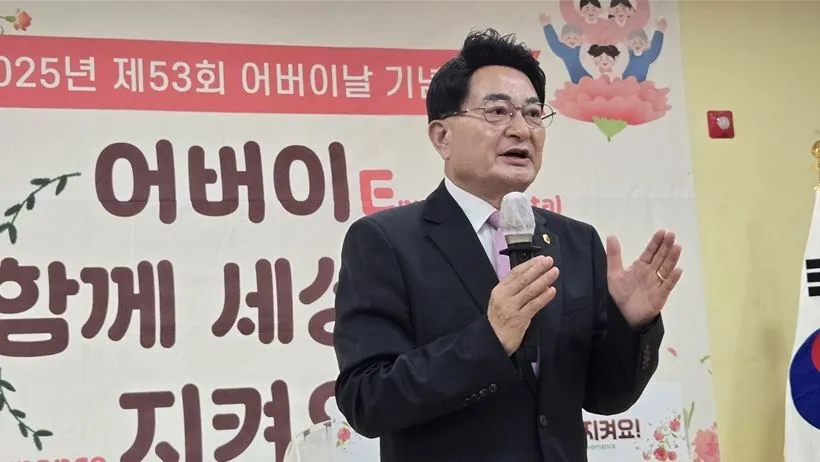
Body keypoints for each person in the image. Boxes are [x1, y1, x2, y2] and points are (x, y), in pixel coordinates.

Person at [332, 28, 682, 462]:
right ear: (442, 136)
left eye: (533, 114)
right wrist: (490, 339)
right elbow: (367, 399)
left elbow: (607, 396)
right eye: (497, 111)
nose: (521, 130)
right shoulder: (386, 242)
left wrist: (630, 326)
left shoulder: (577, 242)